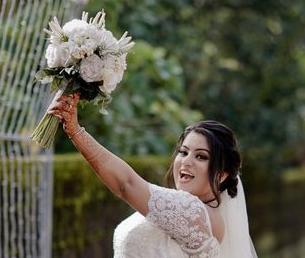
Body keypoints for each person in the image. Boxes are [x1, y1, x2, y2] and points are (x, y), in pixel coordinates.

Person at [48, 93, 257, 258]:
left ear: (221, 175)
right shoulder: (181, 208)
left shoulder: (193, 211)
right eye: (183, 152)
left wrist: (75, 130)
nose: (186, 161)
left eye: (201, 157)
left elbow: (125, 184)